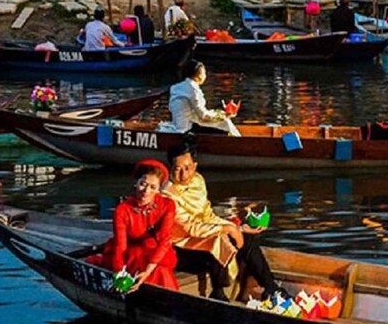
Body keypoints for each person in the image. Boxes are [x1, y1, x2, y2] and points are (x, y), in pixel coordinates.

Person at [164, 140, 288, 302]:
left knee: (247, 240)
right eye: (177, 169)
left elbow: (208, 216)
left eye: (187, 168)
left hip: (204, 238)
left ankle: (271, 287)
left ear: (195, 166)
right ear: (170, 169)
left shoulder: (198, 180)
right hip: (182, 247)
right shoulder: (167, 193)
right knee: (218, 238)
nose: (184, 174)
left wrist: (237, 227)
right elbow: (191, 227)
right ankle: (218, 291)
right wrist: (229, 229)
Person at [88, 160, 179, 292]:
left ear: (158, 190)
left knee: (160, 270)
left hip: (156, 251)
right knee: (142, 267)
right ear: (136, 184)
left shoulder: (167, 205)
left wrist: (147, 271)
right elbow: (121, 246)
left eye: (152, 187)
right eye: (143, 184)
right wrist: (119, 273)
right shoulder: (122, 209)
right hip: (131, 253)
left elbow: (165, 240)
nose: (146, 191)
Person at [167, 62, 239, 136]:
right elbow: (203, 116)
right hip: (187, 128)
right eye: (204, 73)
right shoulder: (193, 89)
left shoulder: (175, 87)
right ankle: (240, 143)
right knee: (225, 122)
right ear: (199, 74)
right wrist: (223, 116)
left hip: (178, 124)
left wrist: (220, 113)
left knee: (222, 121)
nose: (205, 75)